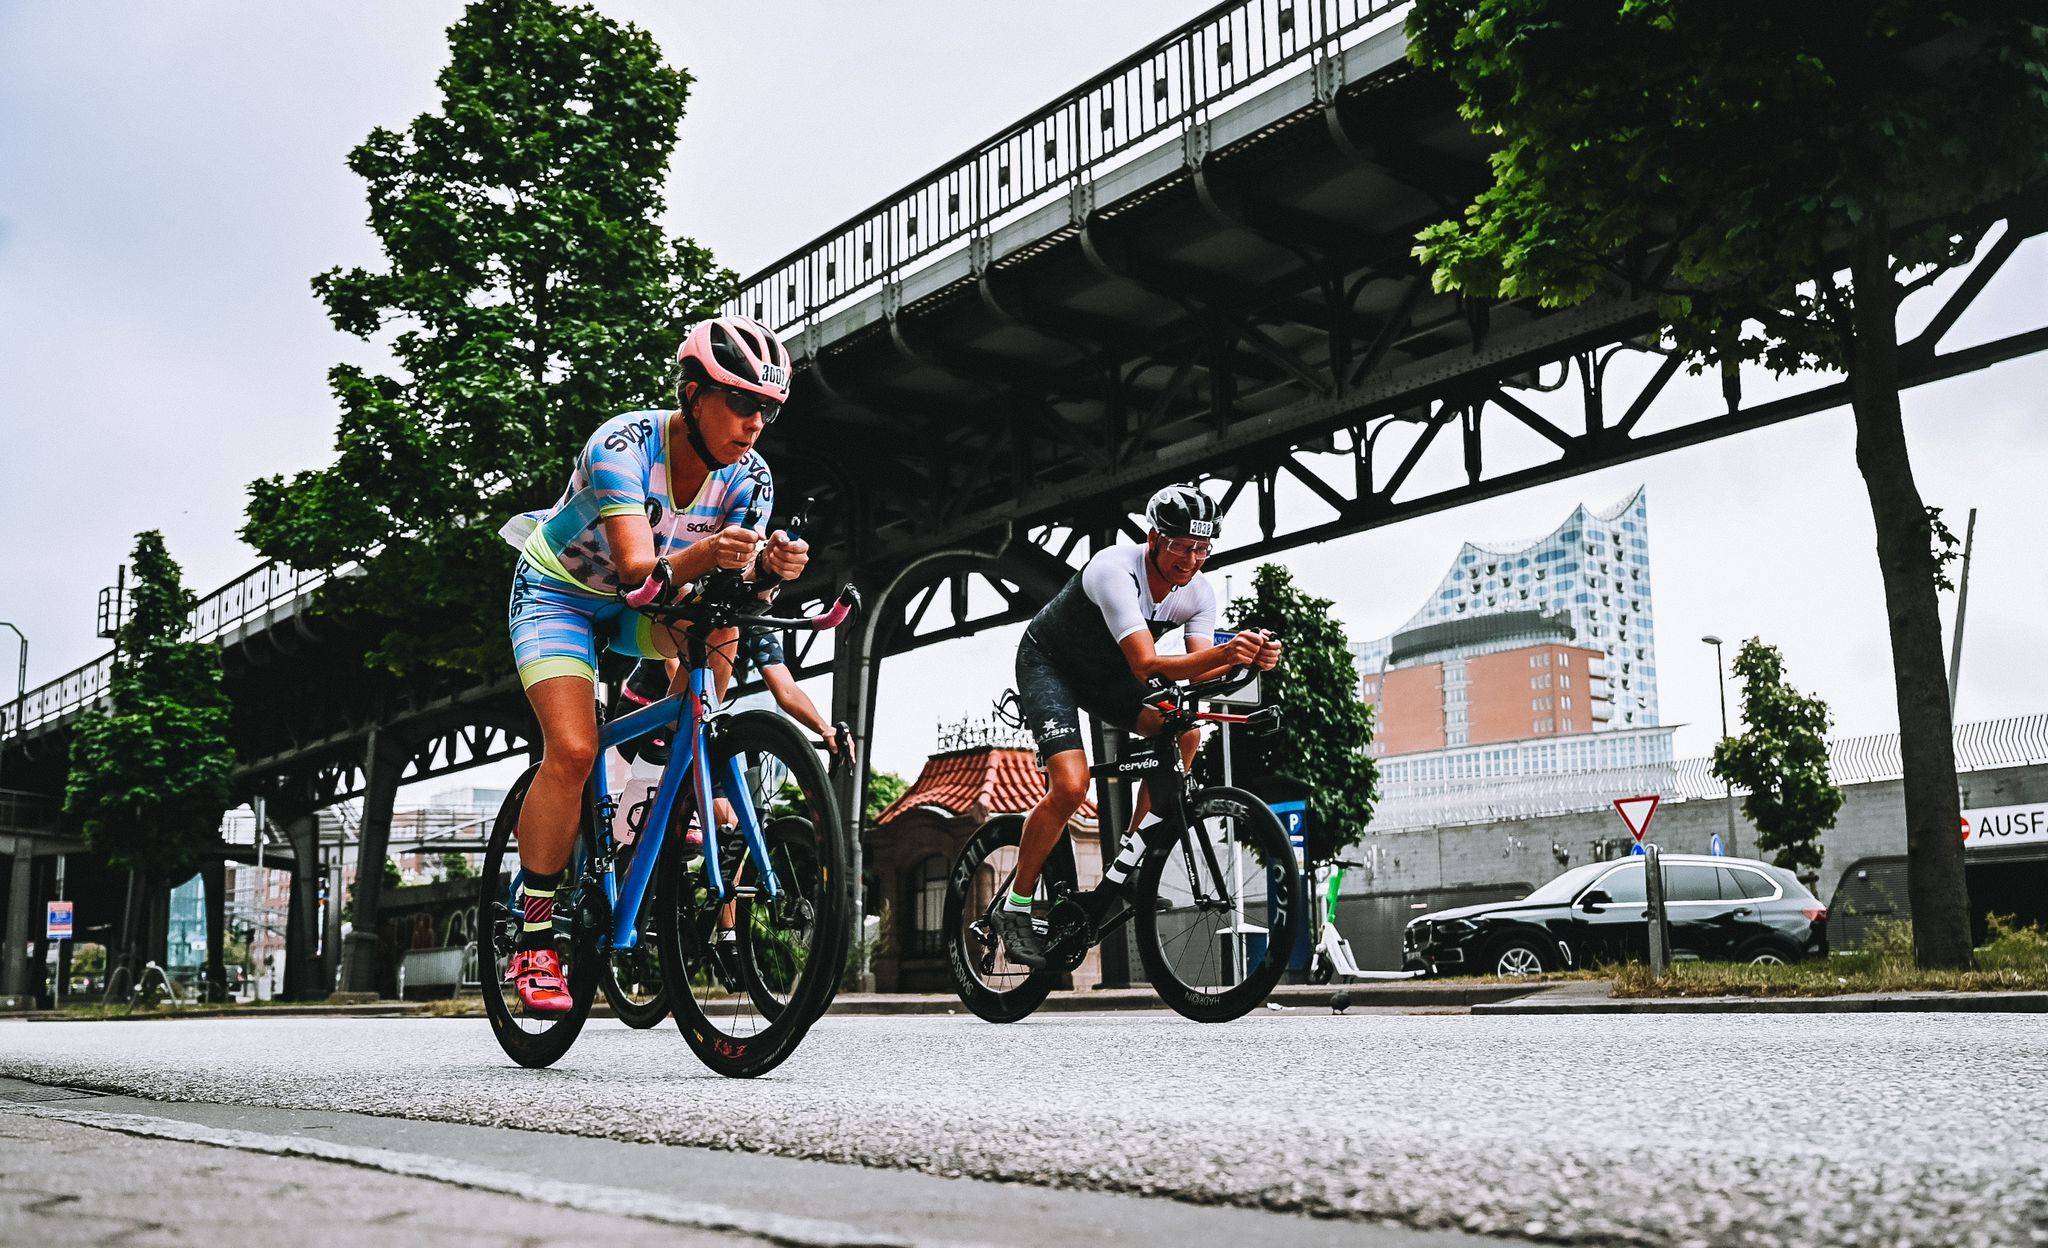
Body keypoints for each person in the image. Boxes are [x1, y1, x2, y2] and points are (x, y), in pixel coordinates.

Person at [497, 315, 809, 1014]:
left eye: (767, 408)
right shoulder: (624, 445)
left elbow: (734, 588)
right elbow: (639, 574)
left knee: (726, 616)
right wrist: (710, 555)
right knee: (573, 752)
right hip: (563, 595)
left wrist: (771, 571)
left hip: (653, 603)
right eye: (740, 401)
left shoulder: (750, 477)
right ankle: (535, 932)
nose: (755, 422)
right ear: (693, 393)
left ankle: (682, 749)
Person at [995, 485, 1282, 969]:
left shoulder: (1199, 592)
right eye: (1181, 547)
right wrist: (1228, 653)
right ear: (1153, 538)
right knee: (1070, 786)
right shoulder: (1114, 569)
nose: (1192, 560)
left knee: (1184, 731)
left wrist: (1252, 662)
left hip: (1111, 678)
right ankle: (1015, 907)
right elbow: (1148, 661)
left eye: (1202, 549)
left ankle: (1129, 862)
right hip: (1052, 667)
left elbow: (1196, 666)